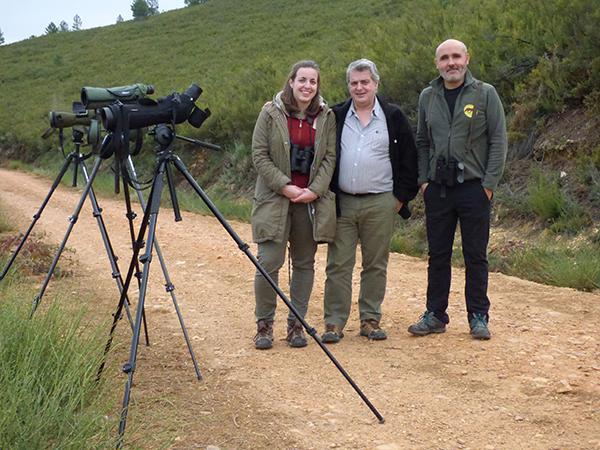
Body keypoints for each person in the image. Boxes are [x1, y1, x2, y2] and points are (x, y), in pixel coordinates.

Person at [408, 39, 507, 340]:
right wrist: (423, 180)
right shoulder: (428, 96)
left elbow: (498, 141)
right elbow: (422, 141)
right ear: (437, 63)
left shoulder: (485, 94)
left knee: (475, 254)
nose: (451, 63)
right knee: (438, 254)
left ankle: (478, 316)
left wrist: (488, 186)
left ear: (467, 58)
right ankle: (435, 314)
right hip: (438, 189)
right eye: (444, 58)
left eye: (456, 56)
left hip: (474, 189)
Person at [321, 59, 418, 343]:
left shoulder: (393, 116)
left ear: (376, 83)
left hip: (381, 203)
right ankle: (334, 323)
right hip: (343, 203)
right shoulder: (336, 115)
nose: (359, 87)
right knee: (338, 264)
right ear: (348, 86)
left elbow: (410, 161)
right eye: (354, 83)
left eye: (365, 82)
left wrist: (399, 199)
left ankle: (370, 320)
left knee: (375, 263)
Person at [251, 60, 337, 350]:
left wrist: (314, 190)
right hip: (275, 199)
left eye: (313, 81)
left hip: (309, 201)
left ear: (317, 85)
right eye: (302, 80)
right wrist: (284, 185)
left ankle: (296, 325)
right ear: (291, 81)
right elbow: (259, 154)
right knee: (268, 262)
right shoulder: (270, 112)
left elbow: (329, 158)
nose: (307, 86)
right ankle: (264, 326)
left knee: (304, 263)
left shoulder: (327, 116)